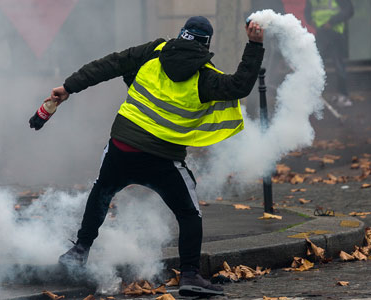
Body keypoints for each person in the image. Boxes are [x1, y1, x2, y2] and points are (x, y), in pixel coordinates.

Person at [30, 16, 264, 297]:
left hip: (123, 146)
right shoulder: (206, 76)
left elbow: (110, 64)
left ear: (181, 35)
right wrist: (254, 44)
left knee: (102, 191)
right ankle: (190, 275)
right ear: (206, 45)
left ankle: (79, 251)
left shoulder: (155, 51)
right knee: (190, 214)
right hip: (163, 159)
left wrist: (68, 87)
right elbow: (240, 86)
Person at [305, 0, 354, 107]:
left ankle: (343, 95)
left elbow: (349, 11)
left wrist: (331, 22)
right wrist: (311, 21)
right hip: (321, 34)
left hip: (335, 33)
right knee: (315, 66)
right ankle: (314, 96)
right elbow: (307, 13)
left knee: (339, 65)